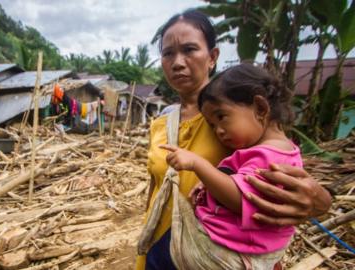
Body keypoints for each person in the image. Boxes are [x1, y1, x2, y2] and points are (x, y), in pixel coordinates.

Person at [135, 8, 332, 270]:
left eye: (190, 49)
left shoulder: (241, 120)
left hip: (215, 254)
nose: (177, 62)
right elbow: (157, 185)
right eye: (168, 53)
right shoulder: (162, 121)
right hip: (161, 246)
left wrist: (321, 202)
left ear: (213, 56)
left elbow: (286, 178)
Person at [160, 63, 300, 269]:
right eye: (212, 125)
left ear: (260, 108)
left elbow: (240, 199)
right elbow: (239, 181)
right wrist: (209, 184)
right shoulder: (282, 150)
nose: (219, 131)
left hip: (228, 250)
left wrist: (198, 164)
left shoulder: (269, 156)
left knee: (159, 254)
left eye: (221, 117)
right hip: (241, 246)